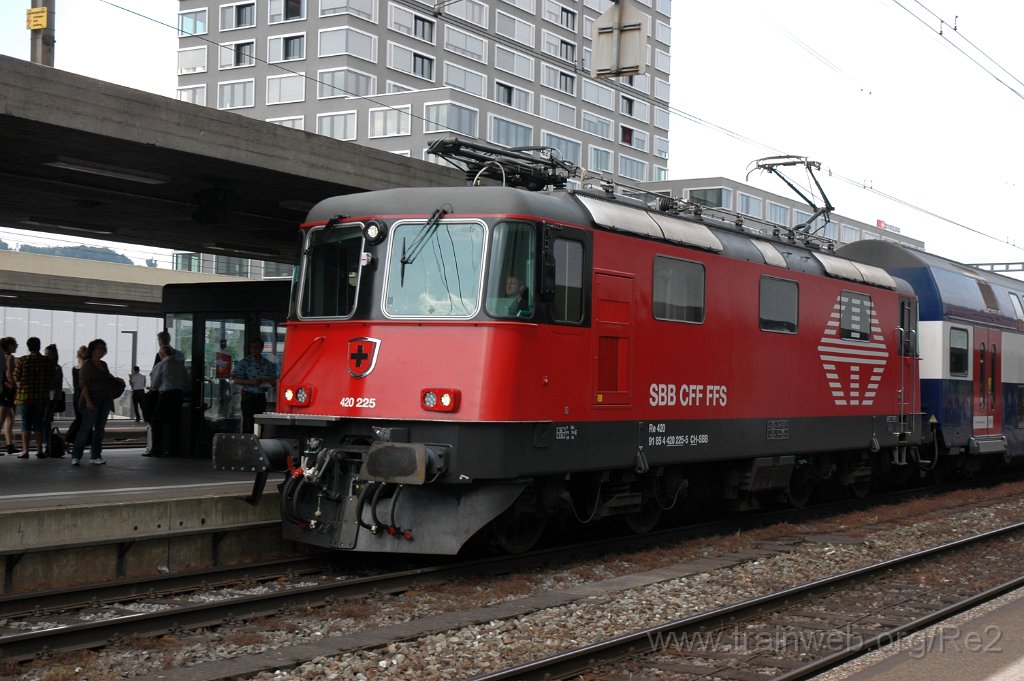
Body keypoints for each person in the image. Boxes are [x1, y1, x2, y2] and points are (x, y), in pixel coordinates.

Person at [70, 339, 113, 466]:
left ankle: (96, 455)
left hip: (104, 400)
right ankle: (76, 456)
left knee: (100, 429)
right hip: (92, 400)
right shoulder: (87, 365)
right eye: (100, 348)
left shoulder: (103, 364)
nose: (102, 350)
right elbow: (83, 384)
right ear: (93, 350)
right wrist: (88, 401)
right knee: (85, 428)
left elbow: (108, 379)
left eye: (104, 348)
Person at [13, 337, 55, 459]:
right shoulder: (47, 361)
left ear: (28, 347)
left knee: (25, 423)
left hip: (25, 396)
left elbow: (16, 377)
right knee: (38, 423)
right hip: (41, 397)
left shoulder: (23, 360)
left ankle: (25, 451)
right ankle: (39, 450)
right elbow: (52, 378)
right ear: (39, 346)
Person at [147, 345, 188, 457]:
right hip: (178, 395)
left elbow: (155, 382)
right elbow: (186, 382)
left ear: (161, 354)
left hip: (166, 395)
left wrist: (152, 389)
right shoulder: (180, 365)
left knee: (156, 421)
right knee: (175, 423)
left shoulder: (161, 365)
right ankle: (173, 450)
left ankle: (156, 450)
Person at [231, 337, 278, 434]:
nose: (254, 349)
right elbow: (235, 380)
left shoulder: (268, 364)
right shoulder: (245, 362)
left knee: (261, 420)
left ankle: (259, 438)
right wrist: (251, 382)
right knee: (248, 421)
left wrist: (267, 380)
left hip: (261, 396)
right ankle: (247, 440)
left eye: (257, 347)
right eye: (252, 347)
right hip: (248, 395)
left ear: (261, 348)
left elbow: (274, 381)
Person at [41, 344, 64, 457]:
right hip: (48, 397)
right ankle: (47, 444)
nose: (46, 356)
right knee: (46, 420)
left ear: (54, 355)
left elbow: (53, 383)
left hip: (52, 397)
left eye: (48, 354)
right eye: (45, 353)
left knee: (45, 420)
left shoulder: (56, 368)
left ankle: (47, 444)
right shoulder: (52, 367)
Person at [0, 337, 19, 455]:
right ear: (10, 346)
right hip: (7, 392)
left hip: (4, 389)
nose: (16, 347)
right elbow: (9, 375)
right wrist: (15, 387)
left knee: (9, 417)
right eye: (15, 344)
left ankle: (9, 444)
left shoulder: (3, 356)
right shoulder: (10, 357)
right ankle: (9, 445)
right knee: (3, 419)